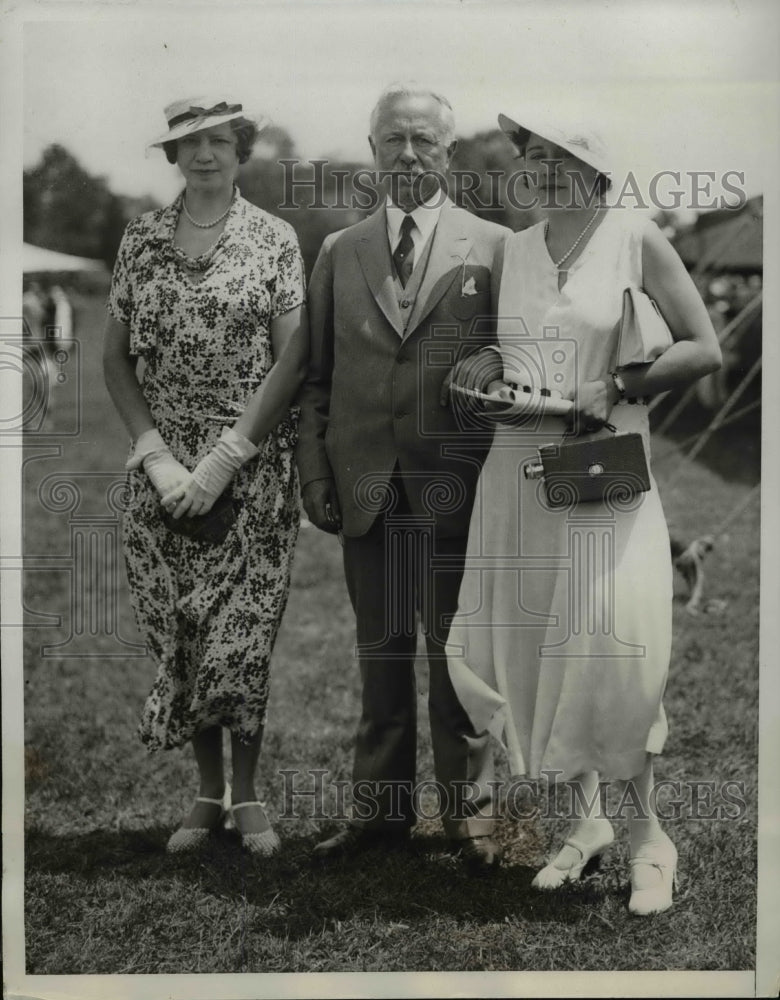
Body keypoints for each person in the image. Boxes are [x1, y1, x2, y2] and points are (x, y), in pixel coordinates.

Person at [447, 113, 721, 913]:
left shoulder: (638, 239)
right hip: (518, 468)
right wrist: (492, 384)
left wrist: (616, 387)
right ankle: (585, 823)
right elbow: (502, 356)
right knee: (540, 646)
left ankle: (649, 840)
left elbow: (703, 346)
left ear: (597, 169)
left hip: (605, 466)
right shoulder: (512, 249)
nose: (542, 167)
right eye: (532, 154)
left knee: (613, 645)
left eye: (562, 156)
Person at [295, 84, 511, 868]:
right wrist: (314, 470)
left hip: (459, 488)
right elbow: (316, 379)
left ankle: (472, 821)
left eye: (424, 140)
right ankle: (379, 817)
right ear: (374, 149)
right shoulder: (338, 251)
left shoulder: (494, 248)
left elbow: (514, 366)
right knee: (379, 658)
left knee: (458, 661)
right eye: (394, 140)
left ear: (448, 153)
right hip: (365, 490)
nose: (409, 154)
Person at [103, 96, 308, 855]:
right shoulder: (141, 239)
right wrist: (158, 458)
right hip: (162, 475)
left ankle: (248, 797)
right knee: (185, 638)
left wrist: (226, 459)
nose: (205, 155)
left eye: (218, 140)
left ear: (239, 148)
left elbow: (291, 362)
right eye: (190, 144)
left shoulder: (274, 238)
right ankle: (204, 795)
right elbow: (113, 360)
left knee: (241, 640)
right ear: (173, 156)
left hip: (248, 469)